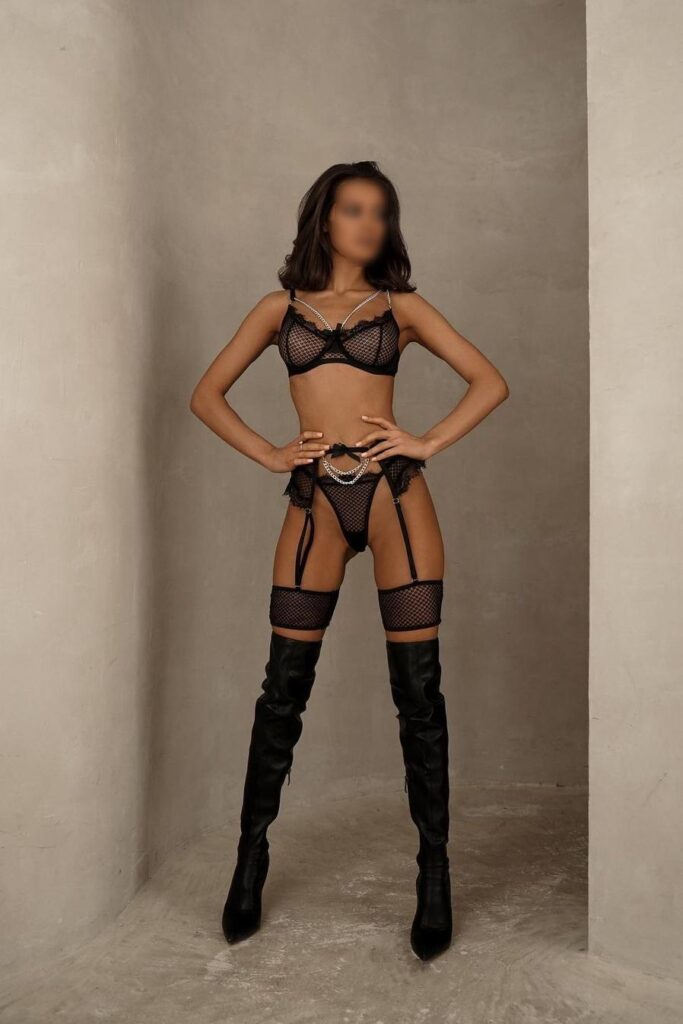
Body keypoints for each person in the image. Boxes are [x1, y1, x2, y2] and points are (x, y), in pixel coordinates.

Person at [189, 160, 509, 961]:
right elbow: (205, 395)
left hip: (396, 499)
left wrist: (425, 440)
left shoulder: (399, 308)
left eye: (380, 212)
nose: (368, 224)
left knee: (418, 694)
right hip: (314, 508)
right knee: (282, 689)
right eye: (353, 209)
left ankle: (433, 874)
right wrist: (270, 453)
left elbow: (488, 381)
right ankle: (249, 861)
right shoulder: (279, 309)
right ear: (324, 220)